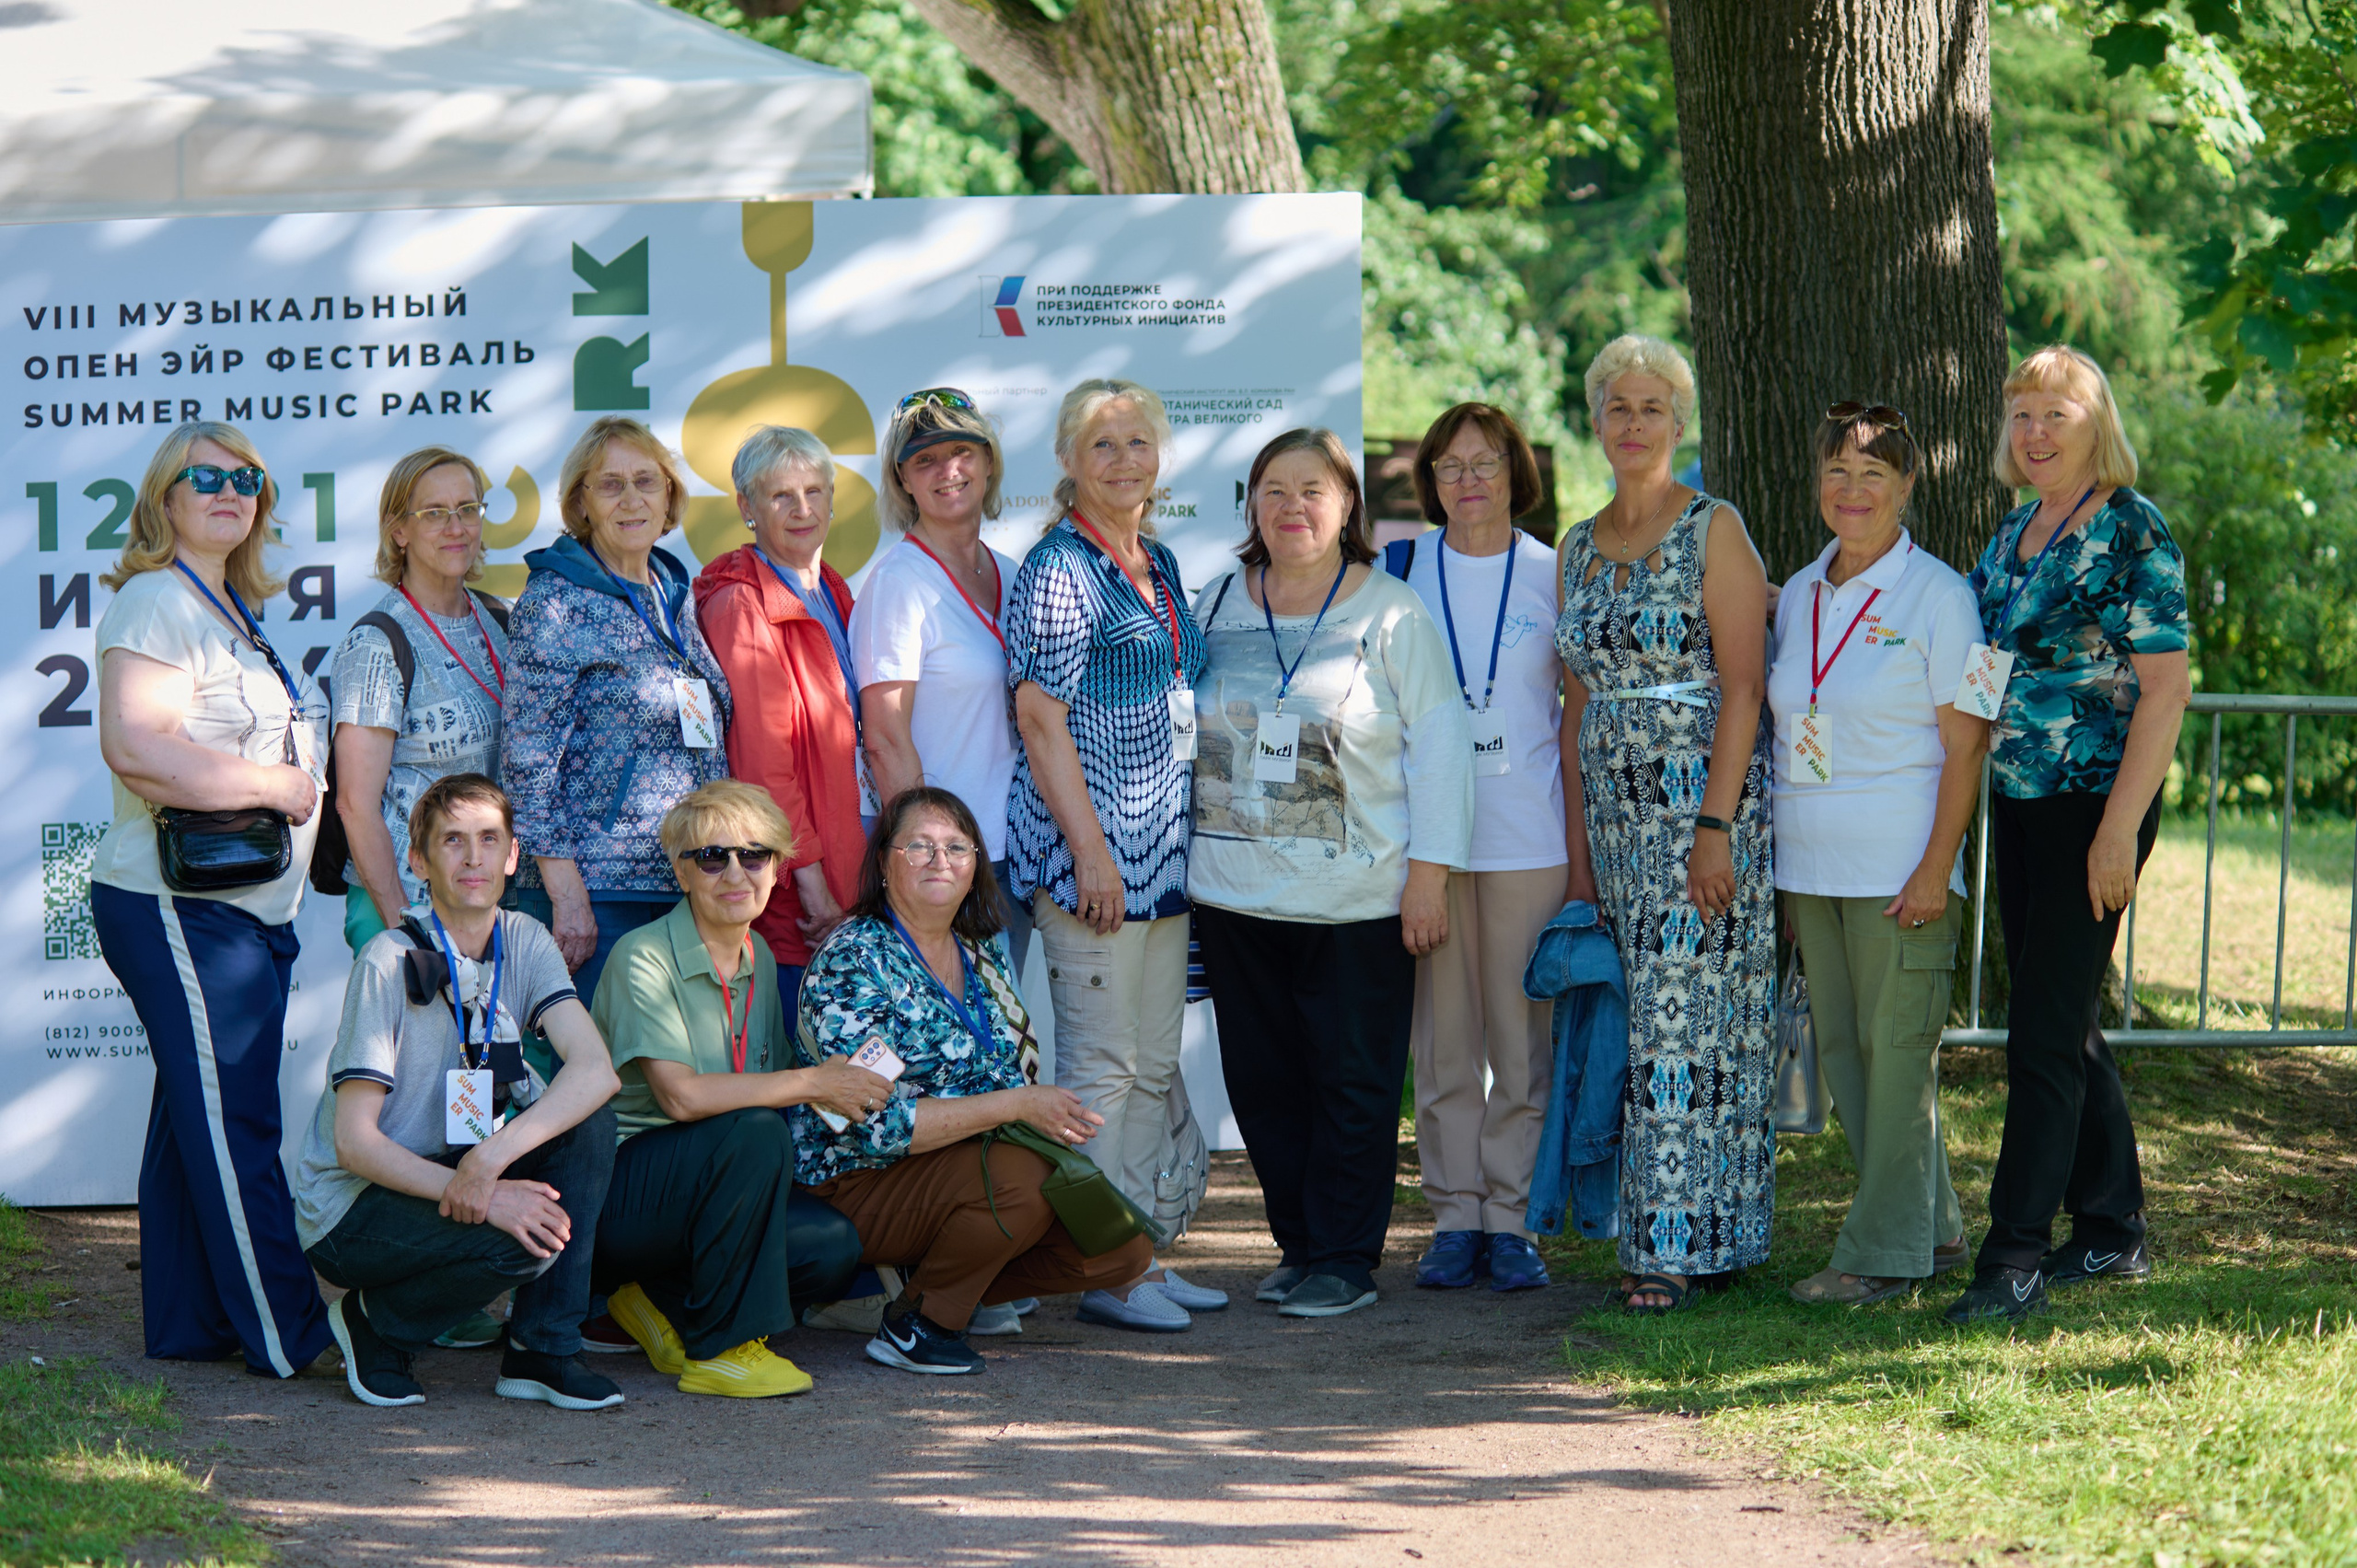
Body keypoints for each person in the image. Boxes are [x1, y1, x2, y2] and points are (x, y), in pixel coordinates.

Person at [1189, 427, 1474, 1320]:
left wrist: (1428, 874)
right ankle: (1299, 1243)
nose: (1292, 507)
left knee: (1350, 1080)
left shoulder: (1390, 612)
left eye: (1312, 489)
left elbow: (1440, 749)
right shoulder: (1212, 602)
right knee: (1263, 1082)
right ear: (1251, 505)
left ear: (1346, 504)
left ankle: (1346, 1256)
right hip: (1234, 894)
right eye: (1274, 489)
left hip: (1358, 898)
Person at [1945, 346, 2190, 1325]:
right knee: (2064, 1016)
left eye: (2056, 414)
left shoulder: (2133, 529)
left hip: (2100, 802)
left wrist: (2119, 832)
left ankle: (2011, 1256)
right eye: (2022, 417)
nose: (2036, 433)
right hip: (2021, 799)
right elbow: (1981, 665)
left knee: (2040, 1029)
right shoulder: (2011, 533)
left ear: (2097, 426)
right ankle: (2111, 1227)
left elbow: (2166, 690)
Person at [88, 420, 332, 1376]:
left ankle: (193, 1323)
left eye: (249, 480)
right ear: (165, 498)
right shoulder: (157, 598)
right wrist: (274, 786)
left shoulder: (225, 605)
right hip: (176, 903)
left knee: (194, 1117)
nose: (231, 492)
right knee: (238, 1123)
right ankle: (290, 1333)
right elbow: (137, 748)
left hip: (241, 910)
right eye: (207, 478)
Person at [794, 787, 1181, 1374]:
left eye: (956, 847)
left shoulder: (979, 951)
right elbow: (875, 1125)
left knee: (1120, 1249)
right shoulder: (855, 957)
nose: (939, 860)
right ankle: (919, 1323)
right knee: (1022, 1179)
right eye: (918, 846)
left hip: (965, 1168)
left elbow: (1002, 1073)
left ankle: (933, 1277)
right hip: (859, 1178)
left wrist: (1024, 1113)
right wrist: (1018, 1105)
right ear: (883, 862)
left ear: (977, 863)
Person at [1554, 335, 1775, 1317]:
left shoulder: (1713, 527)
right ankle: (1666, 1235)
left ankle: (1680, 1248)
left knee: (1695, 1029)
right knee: (1641, 1023)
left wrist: (1716, 825)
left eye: (1652, 407)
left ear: (1679, 423)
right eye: (1617, 406)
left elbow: (1743, 686)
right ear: (1595, 421)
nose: (1633, 422)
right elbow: (1571, 709)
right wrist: (1578, 859)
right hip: (1612, 814)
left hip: (1700, 808)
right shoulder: (1572, 543)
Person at [1004, 377, 1227, 1318]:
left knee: (1147, 1061)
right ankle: (1097, 1270)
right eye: (1102, 445)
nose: (1125, 459)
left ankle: (1134, 1252)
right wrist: (1088, 851)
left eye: (1138, 442)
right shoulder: (1059, 567)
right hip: (1091, 857)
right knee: (1098, 1068)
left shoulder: (1159, 561)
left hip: (1162, 857)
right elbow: (1038, 718)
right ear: (1066, 461)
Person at [295, 774, 623, 1410]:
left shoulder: (524, 939)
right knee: (519, 1234)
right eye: (452, 840)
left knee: (590, 1122)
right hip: (355, 1205)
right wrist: (475, 1189)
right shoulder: (388, 960)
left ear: (512, 856)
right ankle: (376, 1327)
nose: (473, 857)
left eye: (488, 839)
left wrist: (488, 1163)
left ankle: (543, 1349)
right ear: (417, 859)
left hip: (461, 1159)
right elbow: (354, 1143)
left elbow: (594, 1070)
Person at [1767, 404, 1988, 1306]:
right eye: (1836, 472)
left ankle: (1877, 1254)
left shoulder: (1943, 595)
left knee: (1898, 1056)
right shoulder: (1798, 591)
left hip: (1904, 871)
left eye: (1872, 474)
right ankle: (1930, 1232)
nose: (1851, 491)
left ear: (1905, 487)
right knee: (1852, 1061)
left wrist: (1938, 864)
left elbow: (1969, 740)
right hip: (1812, 871)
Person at [589, 780, 876, 1397]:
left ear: (777, 868)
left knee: (831, 1246)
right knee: (754, 1128)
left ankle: (657, 1303)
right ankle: (720, 1348)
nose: (735, 872)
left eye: (755, 855)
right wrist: (811, 1081)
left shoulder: (762, 954)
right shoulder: (643, 955)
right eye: (711, 856)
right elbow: (682, 1098)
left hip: (711, 1188)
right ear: (682, 872)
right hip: (619, 1195)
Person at [1388, 403, 1565, 1295]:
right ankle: (1454, 1215)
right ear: (1429, 479)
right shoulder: (1395, 569)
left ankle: (1512, 1216)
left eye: (1484, 462)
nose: (1467, 480)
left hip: (1527, 836)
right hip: (1430, 843)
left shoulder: (1557, 571)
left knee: (1520, 1040)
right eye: (1449, 465)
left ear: (1514, 473)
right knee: (1445, 1039)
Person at [502, 417, 733, 1005]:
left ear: (669, 497)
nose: (632, 499)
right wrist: (567, 893)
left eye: (646, 482)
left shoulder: (670, 592)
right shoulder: (555, 603)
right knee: (596, 1080)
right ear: (581, 501)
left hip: (684, 878)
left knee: (671, 1084)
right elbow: (526, 762)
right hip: (600, 892)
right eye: (610, 485)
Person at [848, 389, 1031, 979]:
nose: (947, 471)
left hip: (1015, 852)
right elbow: (884, 737)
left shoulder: (1011, 571)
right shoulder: (898, 584)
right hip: (949, 866)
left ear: (988, 461)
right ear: (902, 479)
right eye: (924, 459)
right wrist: (921, 859)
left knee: (1005, 1041)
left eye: (961, 451)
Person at [692, 426, 865, 1023]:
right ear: (746, 507)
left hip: (848, 880)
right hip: (798, 901)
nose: (803, 509)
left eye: (815, 491)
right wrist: (811, 887)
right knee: (804, 1076)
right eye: (781, 496)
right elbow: (765, 766)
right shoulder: (740, 605)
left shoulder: (832, 589)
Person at [331, 446, 511, 954]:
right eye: (434, 513)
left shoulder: (505, 623)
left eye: (468, 509)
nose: (456, 527)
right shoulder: (377, 643)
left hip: (491, 900)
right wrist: (406, 930)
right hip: (407, 903)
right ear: (399, 531)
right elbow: (355, 804)